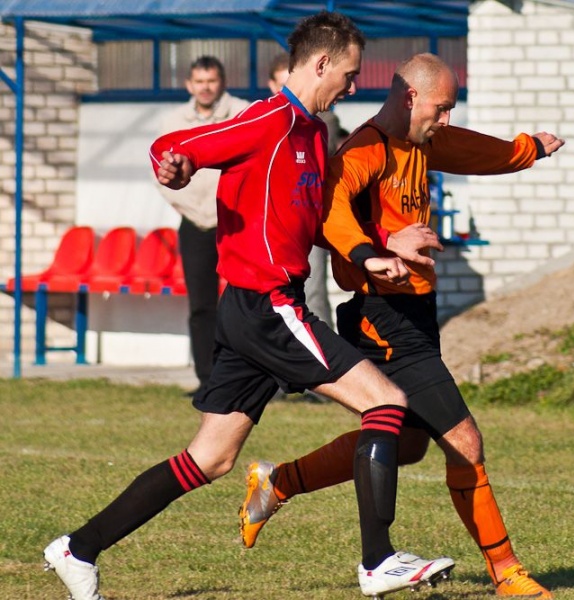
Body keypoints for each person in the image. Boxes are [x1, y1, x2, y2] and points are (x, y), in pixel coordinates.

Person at [42, 15, 454, 600]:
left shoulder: (313, 134)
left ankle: (76, 549)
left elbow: (309, 226)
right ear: (320, 65)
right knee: (386, 402)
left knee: (208, 460)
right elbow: (174, 147)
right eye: (351, 73)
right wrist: (174, 166)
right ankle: (377, 561)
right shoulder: (267, 119)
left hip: (251, 311)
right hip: (267, 305)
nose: (355, 85)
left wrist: (378, 249)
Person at [238, 52, 565, 598]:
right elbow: (328, 210)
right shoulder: (364, 149)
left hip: (414, 313)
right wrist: (374, 249)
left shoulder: (422, 140)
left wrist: (524, 151)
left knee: (408, 445)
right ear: (410, 97)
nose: (445, 119)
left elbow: (468, 148)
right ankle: (506, 570)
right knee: (464, 438)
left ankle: (279, 482)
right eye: (440, 108)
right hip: (380, 316)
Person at [158, 56, 249, 395]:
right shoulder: (172, 121)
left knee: (248, 301)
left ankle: (247, 378)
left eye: (211, 80)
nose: (205, 87)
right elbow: (160, 175)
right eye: (199, 81)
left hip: (237, 222)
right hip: (194, 224)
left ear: (222, 82)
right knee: (201, 306)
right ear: (189, 85)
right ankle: (207, 381)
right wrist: (195, 209)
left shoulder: (243, 113)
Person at [267, 52, 334, 328]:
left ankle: (330, 363)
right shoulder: (265, 117)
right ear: (272, 85)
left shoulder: (322, 122)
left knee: (313, 291)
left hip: (308, 219)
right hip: (275, 223)